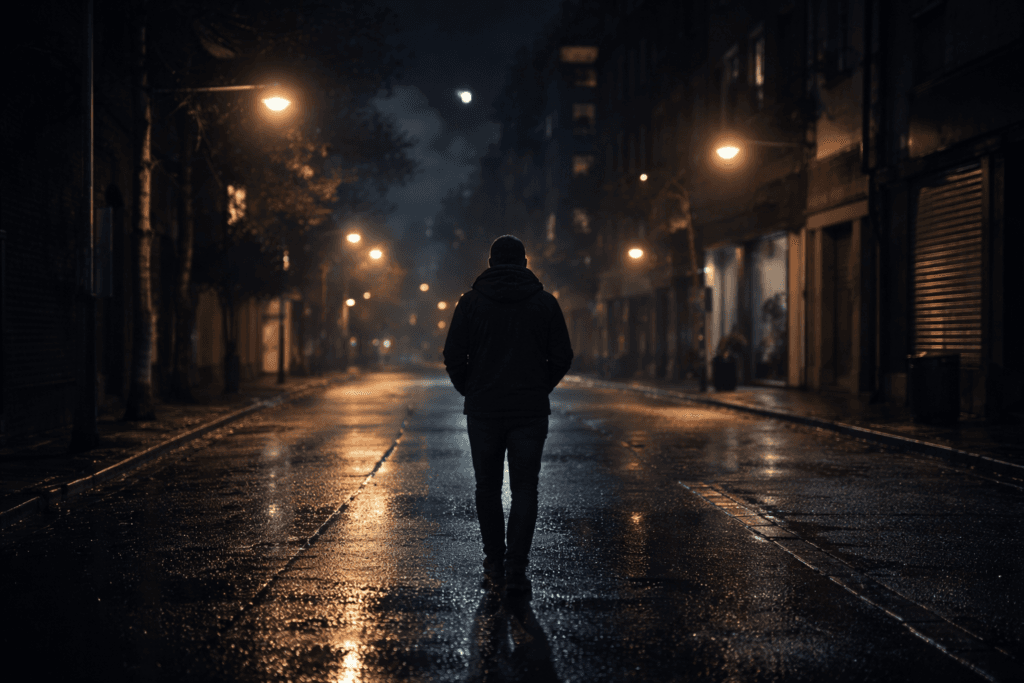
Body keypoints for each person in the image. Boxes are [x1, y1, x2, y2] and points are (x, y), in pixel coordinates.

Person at [443, 235, 573, 595]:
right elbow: (562, 356)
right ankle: (517, 568)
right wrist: (538, 387)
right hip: (529, 411)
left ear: (490, 262)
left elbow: (454, 355)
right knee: (525, 488)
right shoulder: (545, 304)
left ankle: (494, 562)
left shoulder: (469, 304)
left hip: (484, 410)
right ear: (525, 261)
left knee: (486, 487)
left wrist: (472, 389)